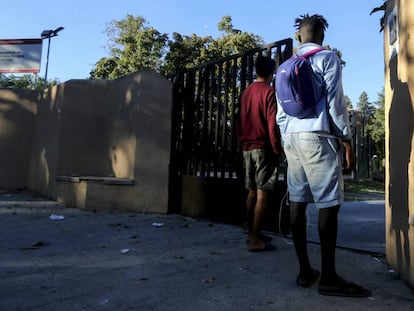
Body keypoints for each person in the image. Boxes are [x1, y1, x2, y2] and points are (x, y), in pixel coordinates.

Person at [275, 14, 371, 297]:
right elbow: (335, 103)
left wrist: (286, 139)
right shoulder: (327, 58)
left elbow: (281, 113)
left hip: (291, 138)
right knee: (328, 204)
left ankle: (305, 271)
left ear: (298, 37)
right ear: (321, 36)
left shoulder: (285, 66)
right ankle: (328, 277)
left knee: (297, 201)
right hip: (318, 137)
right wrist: (346, 140)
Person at [238, 55, 282, 252]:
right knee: (263, 193)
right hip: (263, 147)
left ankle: (251, 232)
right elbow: (272, 124)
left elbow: (239, 120)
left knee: (251, 191)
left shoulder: (246, 92)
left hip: (247, 146)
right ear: (271, 72)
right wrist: (276, 147)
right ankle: (256, 240)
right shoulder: (269, 92)